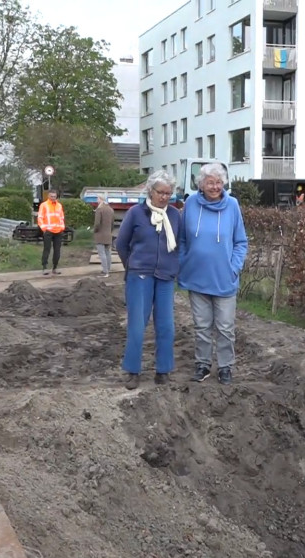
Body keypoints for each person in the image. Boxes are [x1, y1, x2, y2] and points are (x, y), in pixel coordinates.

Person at [178, 162, 248, 385]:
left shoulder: (232, 205)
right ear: (201, 184)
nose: (215, 186)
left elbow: (241, 242)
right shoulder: (190, 203)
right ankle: (203, 364)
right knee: (201, 326)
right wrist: (183, 262)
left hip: (224, 278)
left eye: (219, 182)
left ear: (224, 184)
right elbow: (181, 239)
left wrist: (234, 267)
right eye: (210, 182)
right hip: (196, 277)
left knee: (225, 328)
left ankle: (225, 367)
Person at [115, 170, 183, 389]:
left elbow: (180, 245)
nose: (164, 197)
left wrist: (174, 266)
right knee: (137, 325)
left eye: (168, 194)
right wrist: (133, 266)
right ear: (150, 191)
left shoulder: (174, 216)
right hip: (139, 276)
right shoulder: (136, 213)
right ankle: (133, 371)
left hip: (165, 277)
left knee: (166, 326)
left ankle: (163, 371)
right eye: (160, 192)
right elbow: (121, 244)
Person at [38, 189, 66, 275]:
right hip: (48, 231)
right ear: (48, 196)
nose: (53, 198)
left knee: (57, 250)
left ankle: (55, 268)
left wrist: (62, 227)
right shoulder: (44, 205)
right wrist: (44, 229)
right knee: (47, 249)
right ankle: (44, 267)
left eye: (54, 196)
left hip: (58, 231)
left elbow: (61, 217)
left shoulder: (59, 205)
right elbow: (40, 218)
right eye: (51, 196)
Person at [92, 193, 114, 277]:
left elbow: (97, 223)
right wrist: (110, 231)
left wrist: (94, 231)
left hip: (100, 234)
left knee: (102, 254)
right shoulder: (111, 209)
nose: (97, 200)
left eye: (97, 198)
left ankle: (105, 272)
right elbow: (112, 223)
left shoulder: (99, 209)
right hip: (108, 234)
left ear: (100, 199)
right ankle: (108, 269)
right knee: (108, 253)